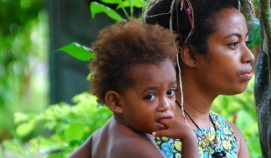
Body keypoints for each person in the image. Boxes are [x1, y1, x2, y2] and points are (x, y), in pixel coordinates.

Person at [143, 0, 255, 157]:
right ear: (191, 55)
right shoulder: (151, 133)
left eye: (246, 42)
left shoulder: (232, 136)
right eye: (233, 43)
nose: (249, 56)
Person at [68, 19, 199, 158]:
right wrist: (189, 138)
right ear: (116, 102)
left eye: (170, 92)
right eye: (150, 96)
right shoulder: (140, 148)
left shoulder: (103, 135)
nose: (165, 106)